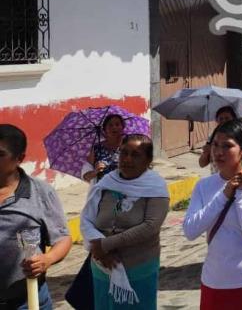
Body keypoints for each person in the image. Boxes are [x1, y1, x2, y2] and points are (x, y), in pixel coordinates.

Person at [183, 120, 242, 309]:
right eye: (215, 145)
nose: (218, 152)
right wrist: (224, 195)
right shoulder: (204, 186)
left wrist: (241, 193)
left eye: (227, 146)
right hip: (214, 283)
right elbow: (190, 230)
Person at [80, 134, 169, 309]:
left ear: (148, 160)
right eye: (123, 153)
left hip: (138, 268)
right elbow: (86, 218)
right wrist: (101, 250)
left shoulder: (155, 186)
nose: (127, 159)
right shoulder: (106, 182)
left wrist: (105, 244)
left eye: (135, 155)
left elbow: (150, 226)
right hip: (102, 267)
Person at [0, 124, 72, 310]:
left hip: (26, 301)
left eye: (0, 155)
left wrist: (46, 260)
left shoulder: (39, 192)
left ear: (19, 159)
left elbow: (63, 239)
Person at [82, 114, 125, 183]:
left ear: (122, 128)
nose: (114, 127)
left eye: (117, 124)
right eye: (110, 125)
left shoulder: (128, 146)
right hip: (103, 191)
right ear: (104, 130)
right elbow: (85, 176)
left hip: (125, 189)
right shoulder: (96, 148)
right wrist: (95, 171)